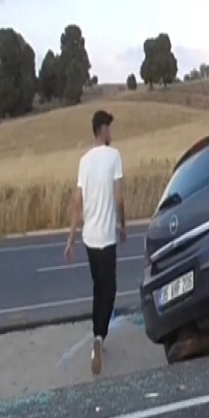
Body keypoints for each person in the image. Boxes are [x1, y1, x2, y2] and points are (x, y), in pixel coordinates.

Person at [64, 110, 127, 374]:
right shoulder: (114, 157)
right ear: (102, 130)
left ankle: (96, 336)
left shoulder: (84, 161)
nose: (111, 133)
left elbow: (78, 202)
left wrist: (71, 239)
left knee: (97, 287)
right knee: (109, 290)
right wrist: (123, 225)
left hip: (89, 237)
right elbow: (119, 198)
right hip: (107, 237)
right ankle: (100, 336)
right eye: (109, 128)